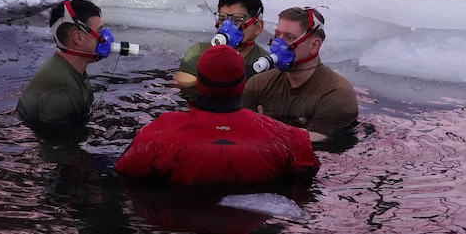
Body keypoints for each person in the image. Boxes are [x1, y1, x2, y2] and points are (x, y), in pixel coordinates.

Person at [116, 45, 319, 186]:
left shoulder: (157, 135)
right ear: (242, 84)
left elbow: (127, 172)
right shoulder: (288, 138)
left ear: (200, 83)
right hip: (252, 226)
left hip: (178, 219)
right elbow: (306, 175)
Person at [241, 7, 359, 142]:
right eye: (277, 35)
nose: (278, 44)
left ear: (314, 46)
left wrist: (265, 129)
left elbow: (313, 148)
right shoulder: (257, 84)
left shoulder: (337, 95)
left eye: (289, 37)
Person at [16, 0, 109, 130]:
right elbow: (59, 148)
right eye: (100, 32)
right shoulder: (62, 90)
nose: (105, 38)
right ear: (78, 38)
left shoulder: (73, 70)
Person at [174, 0, 269, 89]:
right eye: (222, 18)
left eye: (238, 19)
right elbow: (182, 89)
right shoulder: (198, 52)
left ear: (258, 28)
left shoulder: (267, 65)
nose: (226, 26)